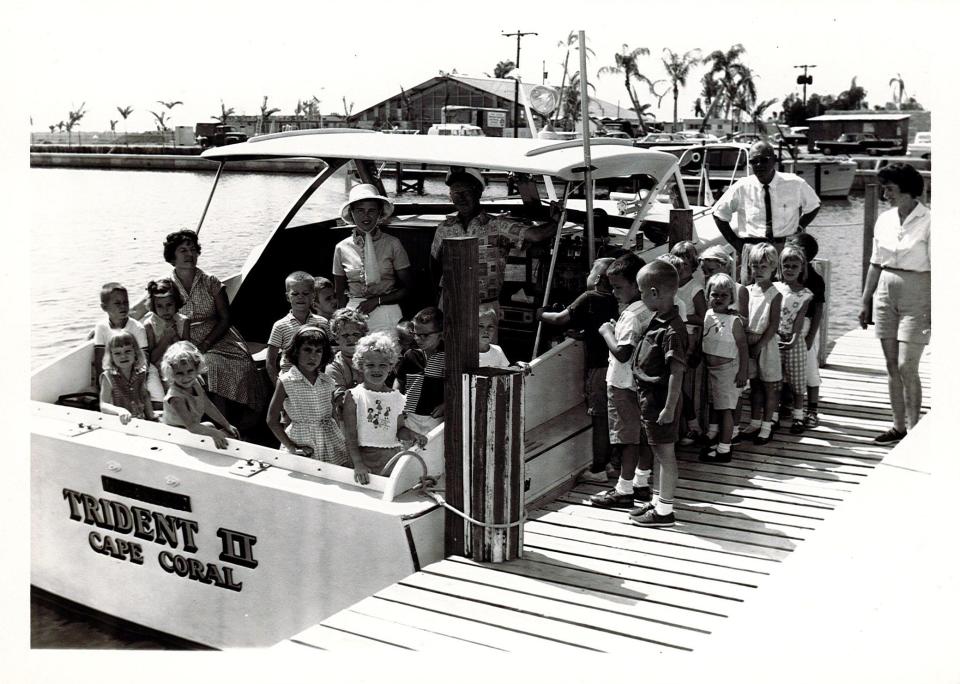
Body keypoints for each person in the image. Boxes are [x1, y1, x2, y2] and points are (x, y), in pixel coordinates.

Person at [858, 163, 930, 444]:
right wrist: (865, 301)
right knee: (891, 365)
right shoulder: (884, 220)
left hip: (919, 294)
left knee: (906, 366)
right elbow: (875, 262)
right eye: (884, 188)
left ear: (908, 191)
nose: (885, 194)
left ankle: (914, 432)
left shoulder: (929, 220)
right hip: (886, 295)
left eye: (890, 189)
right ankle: (898, 426)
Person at [161, 229, 265, 417]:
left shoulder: (210, 281)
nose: (190, 254)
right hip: (182, 338)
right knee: (210, 365)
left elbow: (226, 318)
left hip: (217, 335)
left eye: (193, 249)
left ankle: (242, 416)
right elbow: (152, 311)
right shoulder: (166, 285)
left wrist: (206, 344)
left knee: (242, 364)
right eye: (183, 250)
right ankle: (219, 419)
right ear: (172, 257)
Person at [429, 167, 557, 317]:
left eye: (466, 192)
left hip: (484, 306)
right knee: (447, 341)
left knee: (484, 342)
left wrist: (556, 220)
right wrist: (437, 297)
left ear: (478, 192)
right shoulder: (444, 228)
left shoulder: (498, 226)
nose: (461, 197)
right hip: (449, 302)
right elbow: (434, 264)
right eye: (456, 193)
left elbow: (537, 235)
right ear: (450, 196)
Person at [538, 257, 620, 482]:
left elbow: (559, 318)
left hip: (598, 368)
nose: (587, 276)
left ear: (598, 279)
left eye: (590, 272)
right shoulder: (616, 299)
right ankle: (614, 464)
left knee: (600, 419)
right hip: (616, 368)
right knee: (614, 418)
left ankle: (598, 469)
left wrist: (540, 313)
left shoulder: (590, 296)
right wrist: (584, 333)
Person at [589, 254, 655, 508]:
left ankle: (623, 489)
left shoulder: (630, 315)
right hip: (642, 383)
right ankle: (641, 482)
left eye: (618, 288)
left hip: (622, 384)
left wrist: (606, 331)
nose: (614, 293)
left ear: (635, 286)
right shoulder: (648, 308)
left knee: (628, 438)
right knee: (644, 435)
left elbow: (623, 352)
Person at [627, 260, 688, 527]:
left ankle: (665, 511)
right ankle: (658, 499)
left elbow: (677, 372)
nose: (639, 296)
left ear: (653, 292)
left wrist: (669, 408)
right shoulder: (659, 319)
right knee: (657, 451)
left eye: (641, 292)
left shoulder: (673, 330)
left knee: (665, 455)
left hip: (661, 401)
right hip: (649, 399)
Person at [712, 141, 820, 269]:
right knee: (752, 288)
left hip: (783, 249)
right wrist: (736, 243)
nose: (759, 165)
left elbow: (814, 205)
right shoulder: (741, 186)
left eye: (764, 160)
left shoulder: (795, 183)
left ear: (774, 160)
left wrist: (799, 227)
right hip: (752, 250)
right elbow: (719, 214)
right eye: (754, 161)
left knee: (784, 287)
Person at [344, 332, 429, 484]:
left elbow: (399, 430)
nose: (377, 370)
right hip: (364, 461)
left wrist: (414, 435)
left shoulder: (396, 397)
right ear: (360, 366)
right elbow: (350, 436)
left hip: (392, 460)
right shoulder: (354, 396)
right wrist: (358, 464)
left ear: (390, 367)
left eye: (382, 365)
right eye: (370, 365)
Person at [333, 183, 413, 334]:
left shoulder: (392, 244)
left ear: (379, 213)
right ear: (352, 213)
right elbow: (340, 293)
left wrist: (377, 301)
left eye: (371, 211)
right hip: (354, 311)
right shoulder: (341, 248)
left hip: (387, 307)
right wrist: (341, 320)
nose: (366, 216)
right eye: (360, 211)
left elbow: (408, 289)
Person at [266, 326, 348, 465]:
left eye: (318, 351)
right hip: (302, 441)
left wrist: (342, 437)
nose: (313, 356)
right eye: (307, 349)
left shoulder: (327, 381)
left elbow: (333, 413)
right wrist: (291, 447)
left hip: (330, 439)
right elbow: (271, 420)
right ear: (296, 351)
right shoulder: (286, 381)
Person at [699, 274, 748, 463]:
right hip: (711, 369)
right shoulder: (708, 315)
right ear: (708, 295)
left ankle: (724, 449)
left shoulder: (733, 321)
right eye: (714, 294)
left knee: (726, 409)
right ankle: (713, 436)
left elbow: (743, 347)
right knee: (715, 405)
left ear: (731, 299)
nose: (718, 299)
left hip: (729, 370)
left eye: (723, 296)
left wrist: (743, 371)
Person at [160, 341, 240, 449]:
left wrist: (226, 424)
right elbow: (192, 426)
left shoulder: (194, 383)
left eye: (190, 371)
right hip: (175, 435)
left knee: (218, 429)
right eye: (179, 373)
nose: (186, 377)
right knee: (215, 435)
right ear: (171, 373)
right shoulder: (176, 398)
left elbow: (207, 405)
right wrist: (214, 433)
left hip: (188, 431)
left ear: (197, 368)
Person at [93, 282, 164, 403]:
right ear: (104, 307)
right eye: (117, 303)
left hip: (140, 370)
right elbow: (99, 359)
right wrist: (101, 384)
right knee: (111, 398)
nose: (123, 307)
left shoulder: (137, 327)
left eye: (126, 302)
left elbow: (144, 358)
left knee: (158, 396)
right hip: (115, 370)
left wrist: (137, 380)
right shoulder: (101, 327)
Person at [742, 242, 783, 444]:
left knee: (769, 386)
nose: (758, 271)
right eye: (755, 266)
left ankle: (767, 426)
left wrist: (758, 346)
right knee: (754, 385)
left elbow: (774, 325)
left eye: (763, 267)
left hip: (765, 343)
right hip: (749, 340)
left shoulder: (775, 294)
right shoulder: (747, 290)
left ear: (773, 268)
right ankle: (755, 422)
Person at [786, 233, 825, 427]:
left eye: (794, 247)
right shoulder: (785, 275)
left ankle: (812, 409)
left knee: (809, 369)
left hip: (805, 328)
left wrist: (811, 337)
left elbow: (818, 310)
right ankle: (787, 404)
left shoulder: (815, 280)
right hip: (785, 328)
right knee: (786, 367)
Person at [774, 245, 813, 434]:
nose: (789, 269)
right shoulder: (774, 288)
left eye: (794, 266)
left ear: (801, 268)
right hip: (774, 339)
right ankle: (772, 417)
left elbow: (799, 320)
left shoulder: (805, 294)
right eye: (786, 265)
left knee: (797, 382)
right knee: (774, 380)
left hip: (794, 341)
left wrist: (794, 339)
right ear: (780, 267)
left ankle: (798, 416)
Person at [266, 271, 328, 386]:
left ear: (313, 296)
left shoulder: (322, 323)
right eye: (295, 294)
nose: (300, 297)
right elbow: (270, 361)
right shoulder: (280, 326)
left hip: (317, 382)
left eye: (305, 293)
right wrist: (280, 388)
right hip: (290, 383)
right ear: (287, 297)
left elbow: (328, 354)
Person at [396, 307, 446, 436]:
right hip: (410, 417)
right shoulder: (411, 355)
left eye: (425, 335)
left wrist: (446, 404)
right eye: (416, 334)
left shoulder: (448, 357)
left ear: (440, 333)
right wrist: (397, 400)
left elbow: (457, 386)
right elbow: (400, 380)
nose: (418, 339)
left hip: (435, 418)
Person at [98, 331, 157, 424]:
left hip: (140, 420)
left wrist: (151, 416)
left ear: (135, 352)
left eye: (127, 351)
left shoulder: (140, 372)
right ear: (111, 356)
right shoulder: (108, 377)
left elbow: (144, 396)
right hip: (119, 423)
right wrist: (120, 411)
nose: (123, 356)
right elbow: (103, 405)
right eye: (117, 353)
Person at [143, 279, 191, 391]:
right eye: (159, 306)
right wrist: (166, 338)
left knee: (195, 384)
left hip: (183, 367)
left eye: (169, 304)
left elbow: (187, 353)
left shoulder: (184, 321)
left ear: (176, 302)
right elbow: (152, 359)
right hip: (161, 370)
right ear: (153, 306)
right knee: (174, 388)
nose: (165, 310)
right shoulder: (150, 325)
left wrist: (174, 337)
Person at [326, 307, 369, 407]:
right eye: (345, 335)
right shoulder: (334, 366)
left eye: (355, 334)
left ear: (363, 336)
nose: (351, 338)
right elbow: (340, 400)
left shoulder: (372, 359)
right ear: (336, 338)